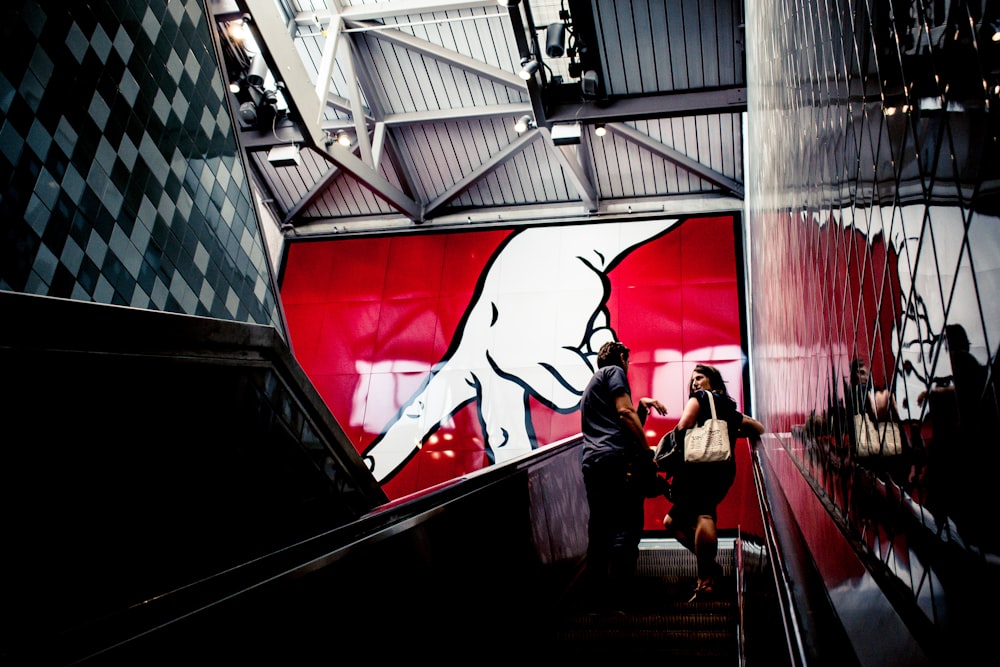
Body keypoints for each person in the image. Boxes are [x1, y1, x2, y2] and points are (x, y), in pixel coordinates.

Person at [662, 364, 764, 602]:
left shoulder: (698, 399)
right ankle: (710, 568)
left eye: (699, 377)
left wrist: (668, 455)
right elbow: (757, 427)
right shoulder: (727, 406)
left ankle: (705, 581)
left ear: (712, 382)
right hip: (721, 469)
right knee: (673, 521)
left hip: (696, 469)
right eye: (693, 380)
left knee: (703, 516)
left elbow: (683, 428)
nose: (695, 383)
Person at [580, 340, 668, 611]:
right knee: (627, 528)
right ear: (620, 357)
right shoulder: (613, 372)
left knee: (600, 531)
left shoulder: (592, 386)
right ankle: (622, 598)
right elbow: (624, 413)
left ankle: (595, 599)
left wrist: (641, 406)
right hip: (617, 462)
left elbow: (622, 420)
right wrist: (646, 454)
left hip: (594, 463)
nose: (628, 366)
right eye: (627, 360)